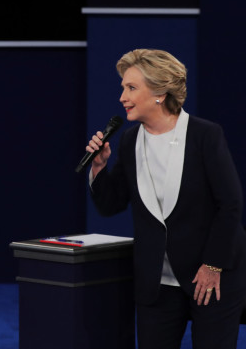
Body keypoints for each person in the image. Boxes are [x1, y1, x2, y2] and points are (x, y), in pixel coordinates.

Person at [85, 49, 246, 349]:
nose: (122, 97)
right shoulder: (130, 141)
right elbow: (110, 204)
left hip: (210, 277)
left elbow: (230, 204)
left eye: (131, 88)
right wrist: (98, 167)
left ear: (160, 93)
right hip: (157, 283)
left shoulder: (205, 135)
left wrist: (213, 265)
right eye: (123, 87)